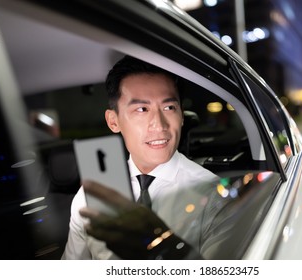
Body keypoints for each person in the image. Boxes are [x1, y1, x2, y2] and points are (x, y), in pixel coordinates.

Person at [61, 56, 219, 259]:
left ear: (181, 116)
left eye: (169, 108)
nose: (159, 124)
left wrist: (164, 245)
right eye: (142, 109)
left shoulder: (212, 193)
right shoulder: (91, 195)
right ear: (113, 121)